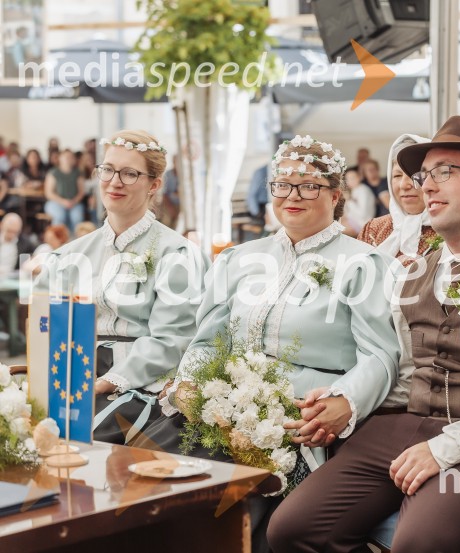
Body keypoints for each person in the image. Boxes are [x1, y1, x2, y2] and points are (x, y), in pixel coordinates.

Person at [267, 115, 460, 553]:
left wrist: (447, 447)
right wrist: (346, 400)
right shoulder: (411, 273)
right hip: (400, 428)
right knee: (291, 529)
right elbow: (404, 372)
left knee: (419, 544)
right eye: (424, 174)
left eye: (445, 172)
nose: (426, 185)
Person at [134, 134, 400, 553]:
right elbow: (207, 339)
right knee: (148, 480)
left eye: (308, 185)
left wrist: (344, 400)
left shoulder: (363, 264)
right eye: (283, 184)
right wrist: (189, 383)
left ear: (335, 195)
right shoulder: (238, 259)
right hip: (220, 409)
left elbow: (381, 355)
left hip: (298, 420)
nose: (293, 195)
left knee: (228, 503)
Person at [35, 130, 208, 444]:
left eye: (130, 174)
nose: (115, 181)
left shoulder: (177, 255)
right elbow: (44, 327)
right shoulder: (68, 256)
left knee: (77, 438)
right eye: (108, 169)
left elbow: (172, 339)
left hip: (140, 383)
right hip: (70, 375)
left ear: (154, 185)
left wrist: (107, 381)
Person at [357, 133, 439, 264]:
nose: (403, 185)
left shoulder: (447, 230)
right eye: (397, 175)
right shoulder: (374, 229)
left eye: (414, 174)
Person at [43, 149, 85, 233]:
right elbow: (49, 193)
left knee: (77, 217)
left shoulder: (78, 173)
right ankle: (57, 240)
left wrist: (73, 202)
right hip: (55, 202)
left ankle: (76, 241)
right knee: (59, 216)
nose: (68, 159)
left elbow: (81, 192)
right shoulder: (53, 172)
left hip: (74, 202)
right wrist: (63, 202)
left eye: (71, 157)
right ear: (60, 158)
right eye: (66, 157)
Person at [342, 167, 375, 236]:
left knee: (335, 230)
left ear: (359, 177)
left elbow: (363, 214)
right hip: (353, 220)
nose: (350, 181)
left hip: (362, 224)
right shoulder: (355, 190)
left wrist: (349, 200)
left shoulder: (363, 191)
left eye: (353, 178)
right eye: (348, 179)